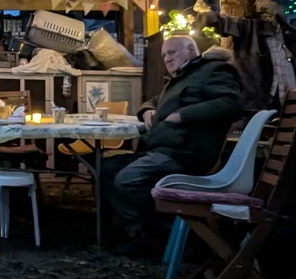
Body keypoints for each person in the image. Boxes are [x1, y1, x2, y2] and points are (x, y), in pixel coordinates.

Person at [100, 35, 243, 253]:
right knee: (106, 168)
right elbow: (154, 100)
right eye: (164, 55)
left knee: (127, 180)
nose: (167, 58)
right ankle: (136, 232)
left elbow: (231, 104)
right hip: (163, 149)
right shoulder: (179, 79)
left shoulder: (213, 70)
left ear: (191, 49)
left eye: (172, 52)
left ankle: (171, 234)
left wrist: (182, 115)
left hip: (185, 152)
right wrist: (147, 110)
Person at [193, 0, 296, 113]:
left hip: (289, 100)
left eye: (282, 2)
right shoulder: (248, 28)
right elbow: (223, 22)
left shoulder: (288, 34)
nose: (276, 6)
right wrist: (206, 16)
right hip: (258, 103)